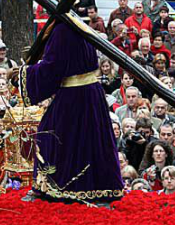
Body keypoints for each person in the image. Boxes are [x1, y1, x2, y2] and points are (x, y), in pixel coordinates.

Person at [16, 22, 123, 202]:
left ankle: (57, 186)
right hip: (90, 92)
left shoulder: (62, 29)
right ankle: (98, 186)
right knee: (93, 139)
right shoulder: (76, 24)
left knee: (50, 136)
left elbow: (53, 67)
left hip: (73, 94)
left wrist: (24, 73)